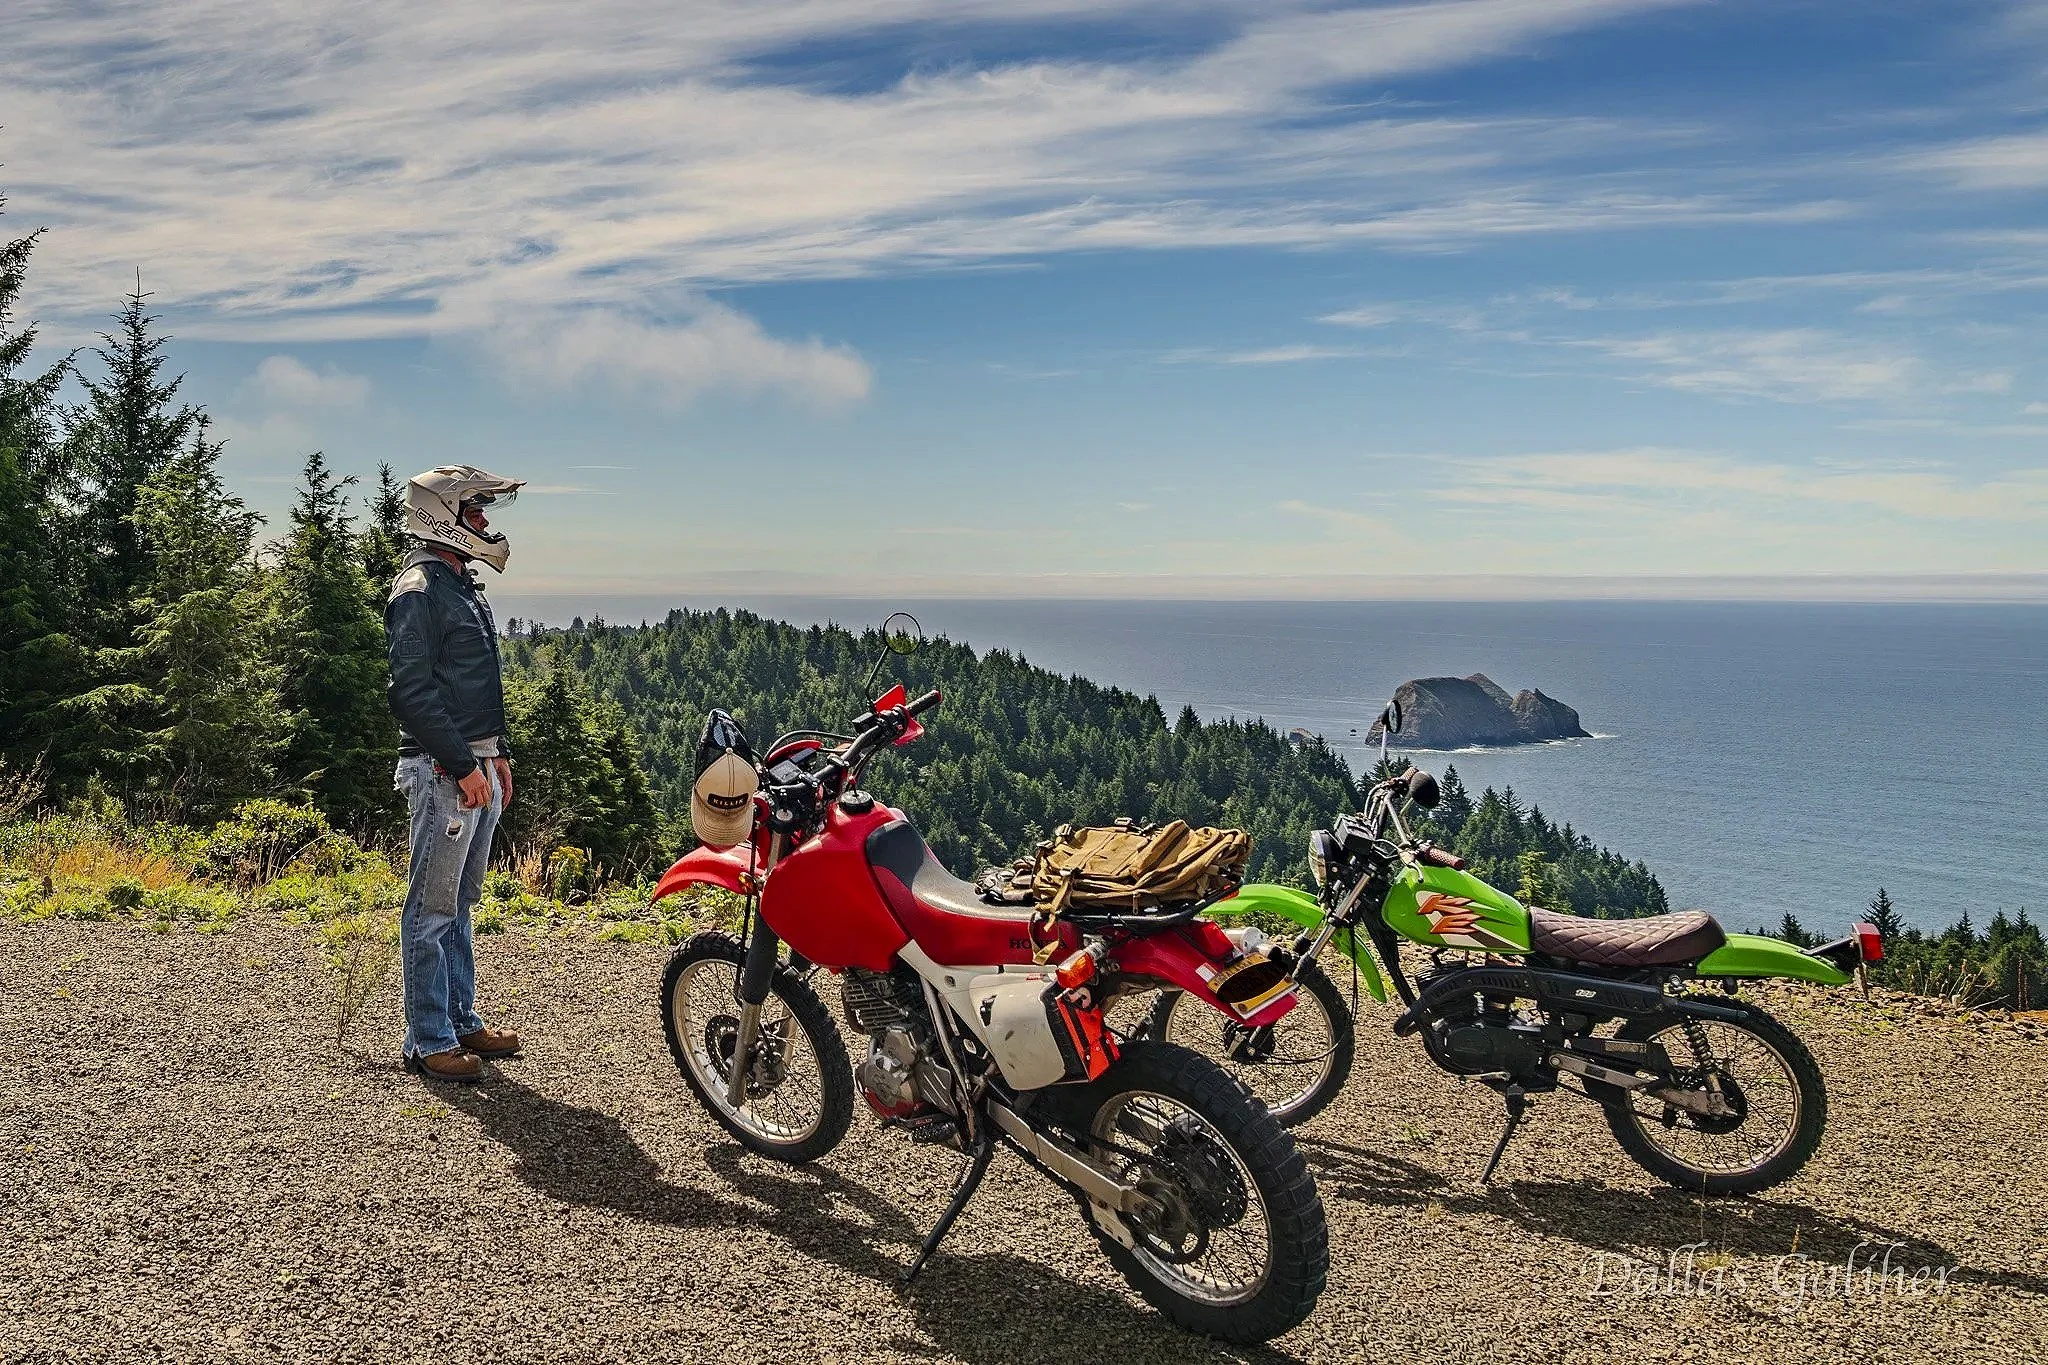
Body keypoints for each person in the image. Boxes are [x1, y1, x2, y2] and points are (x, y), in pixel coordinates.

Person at [385, 465, 528, 1082]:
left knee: (460, 902)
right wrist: (464, 763)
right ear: (443, 515)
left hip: (472, 763)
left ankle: (460, 1019)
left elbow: (467, 686)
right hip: (444, 771)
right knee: (432, 906)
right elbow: (412, 693)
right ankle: (429, 1039)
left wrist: (493, 753)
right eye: (474, 512)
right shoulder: (418, 590)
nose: (485, 522)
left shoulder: (458, 584)